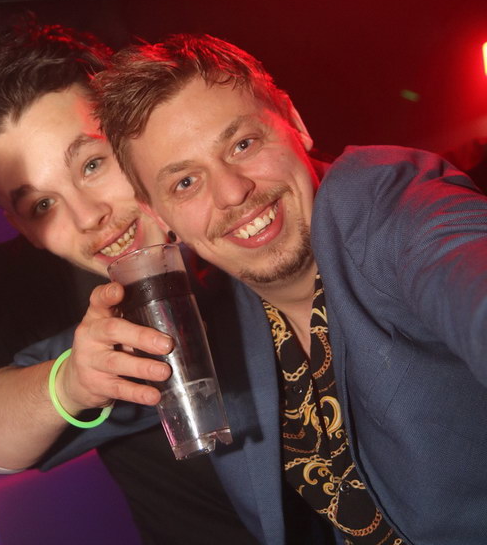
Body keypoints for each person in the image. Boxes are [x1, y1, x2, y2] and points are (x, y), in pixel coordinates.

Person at [0, 22, 262, 544]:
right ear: (21, 226)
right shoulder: (34, 287)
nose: (88, 217)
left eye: (92, 164)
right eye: (42, 204)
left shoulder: (257, 197)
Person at [93, 34, 487, 544]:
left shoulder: (387, 205)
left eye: (243, 144)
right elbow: (2, 437)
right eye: (185, 183)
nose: (232, 191)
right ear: (157, 214)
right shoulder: (203, 309)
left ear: (295, 124)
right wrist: (70, 383)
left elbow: (460, 265)